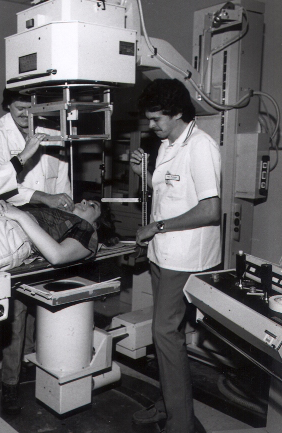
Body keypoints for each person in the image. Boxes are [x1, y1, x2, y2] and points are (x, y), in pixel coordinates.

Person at [130, 79, 221, 433]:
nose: (151, 126)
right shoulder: (169, 143)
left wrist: (158, 227)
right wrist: (145, 174)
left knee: (164, 334)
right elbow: (172, 190)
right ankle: (169, 405)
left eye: (157, 120)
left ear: (178, 113)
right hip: (162, 255)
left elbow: (210, 210)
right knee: (165, 335)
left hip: (184, 258)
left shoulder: (201, 147)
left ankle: (180, 422)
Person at [0, 88, 75, 414]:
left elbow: (63, 180)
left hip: (51, 229)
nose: (26, 114)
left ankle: (38, 369)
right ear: (7, 105)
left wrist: (66, 213)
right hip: (16, 229)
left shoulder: (50, 128)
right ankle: (10, 384)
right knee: (17, 312)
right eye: (20, 108)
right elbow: (1, 187)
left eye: (31, 107)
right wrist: (46, 200)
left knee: (45, 305)